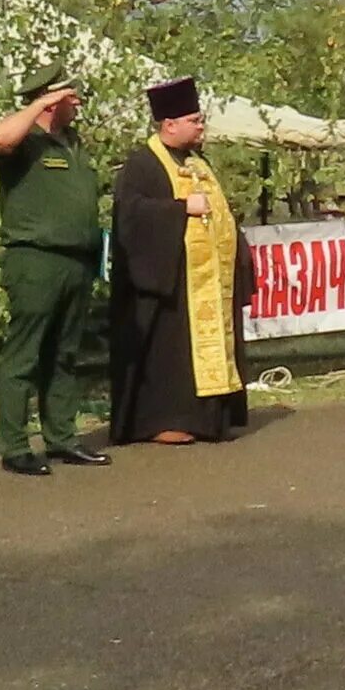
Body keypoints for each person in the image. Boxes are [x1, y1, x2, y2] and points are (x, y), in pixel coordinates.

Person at [0, 68, 110, 475]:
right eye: (72, 97)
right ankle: (15, 445)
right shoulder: (25, 141)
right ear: (51, 100)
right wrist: (37, 104)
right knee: (25, 353)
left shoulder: (71, 142)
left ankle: (61, 437)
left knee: (64, 354)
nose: (79, 103)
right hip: (36, 258)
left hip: (77, 260)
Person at [109, 77, 247, 444]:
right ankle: (161, 421)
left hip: (201, 278)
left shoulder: (198, 163)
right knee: (168, 352)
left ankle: (208, 418)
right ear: (169, 124)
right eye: (195, 121)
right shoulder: (143, 164)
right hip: (165, 278)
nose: (202, 127)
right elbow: (130, 214)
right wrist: (180, 209)